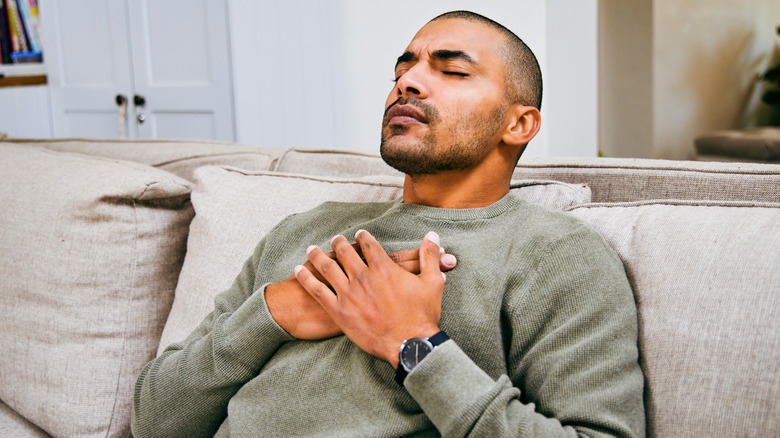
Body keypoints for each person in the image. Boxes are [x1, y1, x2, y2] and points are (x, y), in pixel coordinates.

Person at [132, 10, 645, 437]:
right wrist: (272, 313)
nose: (407, 81)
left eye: (452, 71)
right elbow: (153, 420)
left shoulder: (556, 254)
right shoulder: (305, 233)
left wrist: (412, 342)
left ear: (518, 123)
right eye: (403, 69)